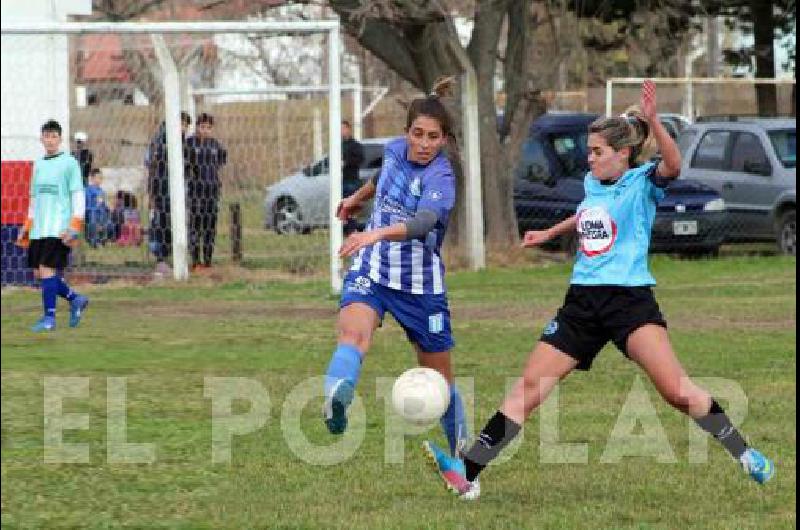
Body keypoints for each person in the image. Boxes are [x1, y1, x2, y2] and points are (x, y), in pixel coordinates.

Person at [426, 80, 775, 500]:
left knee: (678, 392)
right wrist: (548, 232)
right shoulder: (594, 183)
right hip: (582, 303)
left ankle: (744, 453)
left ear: (622, 153)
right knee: (529, 388)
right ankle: (468, 474)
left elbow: (675, 163)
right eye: (588, 151)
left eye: (596, 152)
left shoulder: (645, 180)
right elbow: (586, 214)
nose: (588, 158)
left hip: (629, 302)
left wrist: (654, 122)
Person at [322, 79, 473, 481]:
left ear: (444, 140)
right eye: (417, 134)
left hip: (420, 288)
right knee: (352, 336)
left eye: (433, 137)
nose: (424, 143)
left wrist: (374, 232)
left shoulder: (442, 178)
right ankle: (335, 401)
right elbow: (382, 178)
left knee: (441, 382)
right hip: (373, 269)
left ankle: (465, 463)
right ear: (406, 132)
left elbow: (424, 221)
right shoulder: (392, 150)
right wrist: (357, 199)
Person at [16, 120, 89, 332]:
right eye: (46, 136)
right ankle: (75, 299)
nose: (50, 140)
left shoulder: (70, 163)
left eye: (54, 136)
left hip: (59, 227)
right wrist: (27, 225)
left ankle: (49, 319)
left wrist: (74, 225)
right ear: (41, 139)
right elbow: (34, 199)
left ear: (60, 139)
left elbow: (78, 195)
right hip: (39, 227)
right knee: (40, 274)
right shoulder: (38, 164)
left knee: (47, 270)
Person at [146, 112, 191, 277]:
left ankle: (173, 258)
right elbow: (151, 165)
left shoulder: (183, 142)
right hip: (162, 189)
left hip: (176, 190)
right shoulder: (160, 141)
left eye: (186, 126)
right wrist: (152, 190)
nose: (183, 129)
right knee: (162, 223)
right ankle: (161, 259)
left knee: (176, 223)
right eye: (181, 124)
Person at [186, 112, 227, 270]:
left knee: (210, 227)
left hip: (212, 191)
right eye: (202, 127)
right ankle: (196, 261)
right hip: (196, 191)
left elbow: (222, 160)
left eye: (208, 128)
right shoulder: (189, 144)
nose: (205, 130)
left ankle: (208, 261)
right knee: (196, 227)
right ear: (197, 127)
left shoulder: (215, 145)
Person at [341, 120, 364, 235]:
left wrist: (346, 163)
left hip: (352, 181)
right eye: (340, 129)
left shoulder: (355, 146)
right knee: (342, 207)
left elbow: (360, 160)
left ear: (348, 129)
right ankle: (346, 228)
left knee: (351, 206)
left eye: (343, 128)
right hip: (341, 182)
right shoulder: (338, 146)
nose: (341, 131)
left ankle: (352, 229)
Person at [84, 168, 110, 247]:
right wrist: (95, 206)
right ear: (92, 178)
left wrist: (107, 207)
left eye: (101, 178)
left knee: (107, 218)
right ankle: (93, 241)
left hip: (101, 212)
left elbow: (104, 203)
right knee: (93, 219)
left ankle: (103, 240)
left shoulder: (102, 191)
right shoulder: (88, 190)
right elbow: (87, 204)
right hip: (91, 211)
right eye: (98, 178)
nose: (100, 180)